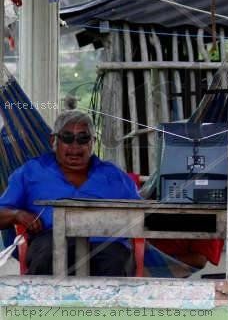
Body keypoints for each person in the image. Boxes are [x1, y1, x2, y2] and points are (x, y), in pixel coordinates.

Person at [0, 110, 140, 276]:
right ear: (54, 140)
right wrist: (17, 214)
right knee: (49, 256)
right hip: (51, 242)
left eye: (83, 138)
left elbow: (141, 217)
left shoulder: (115, 176)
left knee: (114, 262)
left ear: (93, 142)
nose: (75, 146)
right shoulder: (30, 172)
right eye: (67, 138)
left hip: (105, 245)